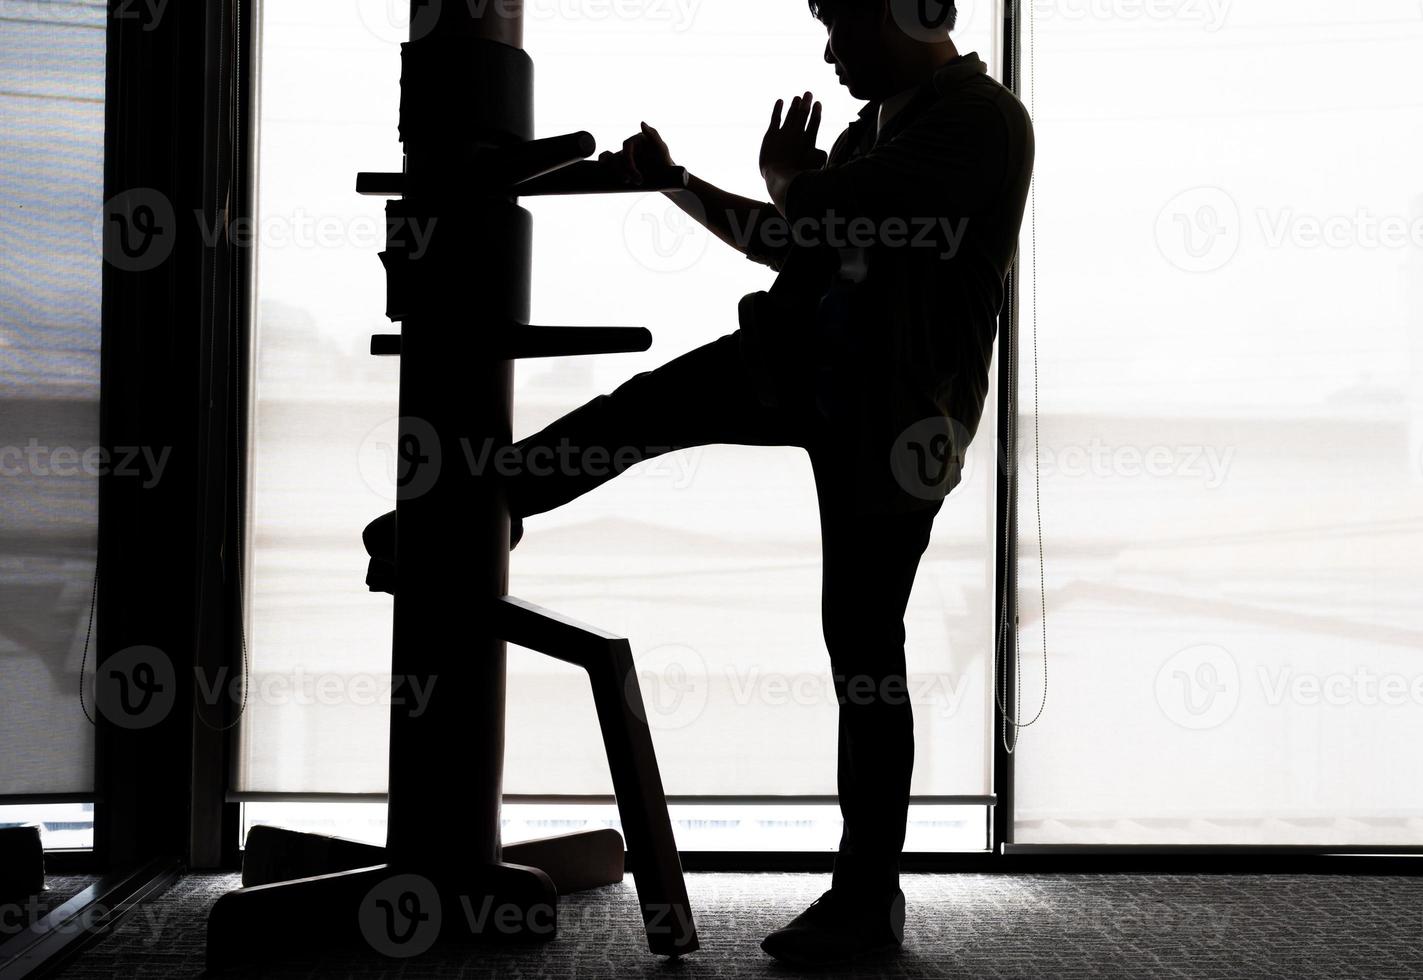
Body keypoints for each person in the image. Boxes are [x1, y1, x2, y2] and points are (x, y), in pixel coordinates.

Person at [364, 0, 1033, 965]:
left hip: (897, 417)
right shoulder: (867, 128)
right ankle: (483, 506)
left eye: (841, 25)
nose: (830, 48)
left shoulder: (981, 119)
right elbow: (789, 240)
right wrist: (678, 185)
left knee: (862, 643)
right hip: (810, 369)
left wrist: (795, 182)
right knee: (640, 413)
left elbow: (830, 211)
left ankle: (866, 898)